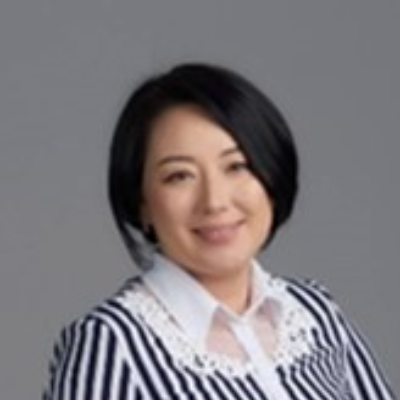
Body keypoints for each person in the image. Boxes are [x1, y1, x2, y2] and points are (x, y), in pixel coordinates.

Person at [44, 63, 395, 400]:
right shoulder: (111, 343)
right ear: (143, 203)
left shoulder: (314, 313)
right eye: (179, 176)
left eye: (237, 166)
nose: (214, 202)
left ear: (270, 174)